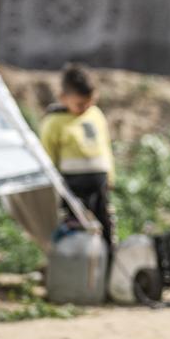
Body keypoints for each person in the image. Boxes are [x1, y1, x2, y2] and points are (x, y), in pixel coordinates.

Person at [38, 64, 115, 247]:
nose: (86, 107)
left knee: (106, 227)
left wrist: (111, 176)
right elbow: (48, 156)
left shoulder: (95, 115)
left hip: (99, 185)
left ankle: (106, 263)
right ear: (63, 98)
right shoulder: (54, 122)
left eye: (90, 102)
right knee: (75, 230)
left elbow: (105, 147)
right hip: (72, 188)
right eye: (80, 104)